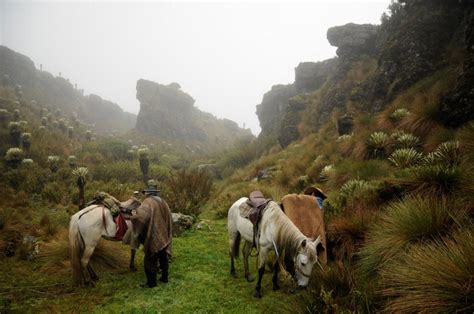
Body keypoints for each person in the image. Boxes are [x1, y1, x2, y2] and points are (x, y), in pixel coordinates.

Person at [130, 180, 173, 288]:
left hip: (154, 235)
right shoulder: (163, 201)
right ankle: (164, 278)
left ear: (148, 192)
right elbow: (168, 217)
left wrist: (133, 215)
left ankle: (151, 283)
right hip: (164, 234)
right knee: (163, 256)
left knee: (149, 259)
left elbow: (141, 218)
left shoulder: (148, 202)